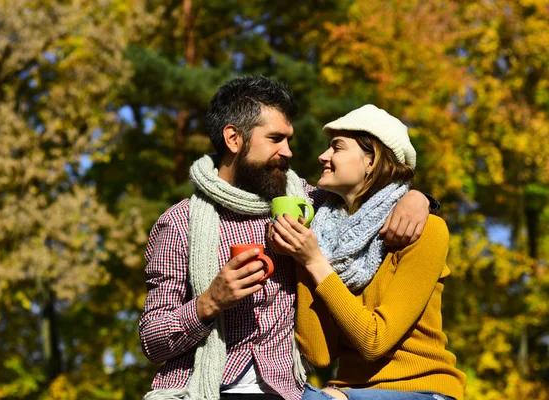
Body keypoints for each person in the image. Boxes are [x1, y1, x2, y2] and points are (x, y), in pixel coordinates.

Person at [139, 77, 434, 400]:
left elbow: (372, 196)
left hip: (285, 390)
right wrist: (210, 302)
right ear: (234, 139)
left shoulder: (311, 206)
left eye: (289, 139)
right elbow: (152, 340)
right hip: (205, 388)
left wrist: (419, 198)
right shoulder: (180, 224)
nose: (288, 151)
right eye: (275, 139)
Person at [268, 104, 467, 400]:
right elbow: (319, 354)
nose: (323, 156)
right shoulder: (323, 232)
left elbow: (375, 341)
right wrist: (302, 259)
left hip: (423, 390)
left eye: (337, 147)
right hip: (350, 390)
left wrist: (314, 260)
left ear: (371, 160)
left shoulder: (425, 231)